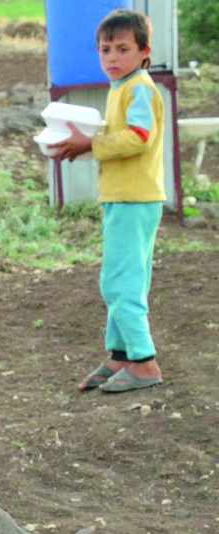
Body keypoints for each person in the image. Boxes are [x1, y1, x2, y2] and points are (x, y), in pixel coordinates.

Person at [52, 10, 165, 394]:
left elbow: (138, 137)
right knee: (119, 279)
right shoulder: (122, 87)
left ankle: (145, 362)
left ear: (144, 51)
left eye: (122, 49)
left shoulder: (139, 88)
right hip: (125, 196)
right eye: (105, 50)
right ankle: (120, 356)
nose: (112, 57)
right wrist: (81, 145)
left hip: (134, 198)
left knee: (121, 282)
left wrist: (91, 144)